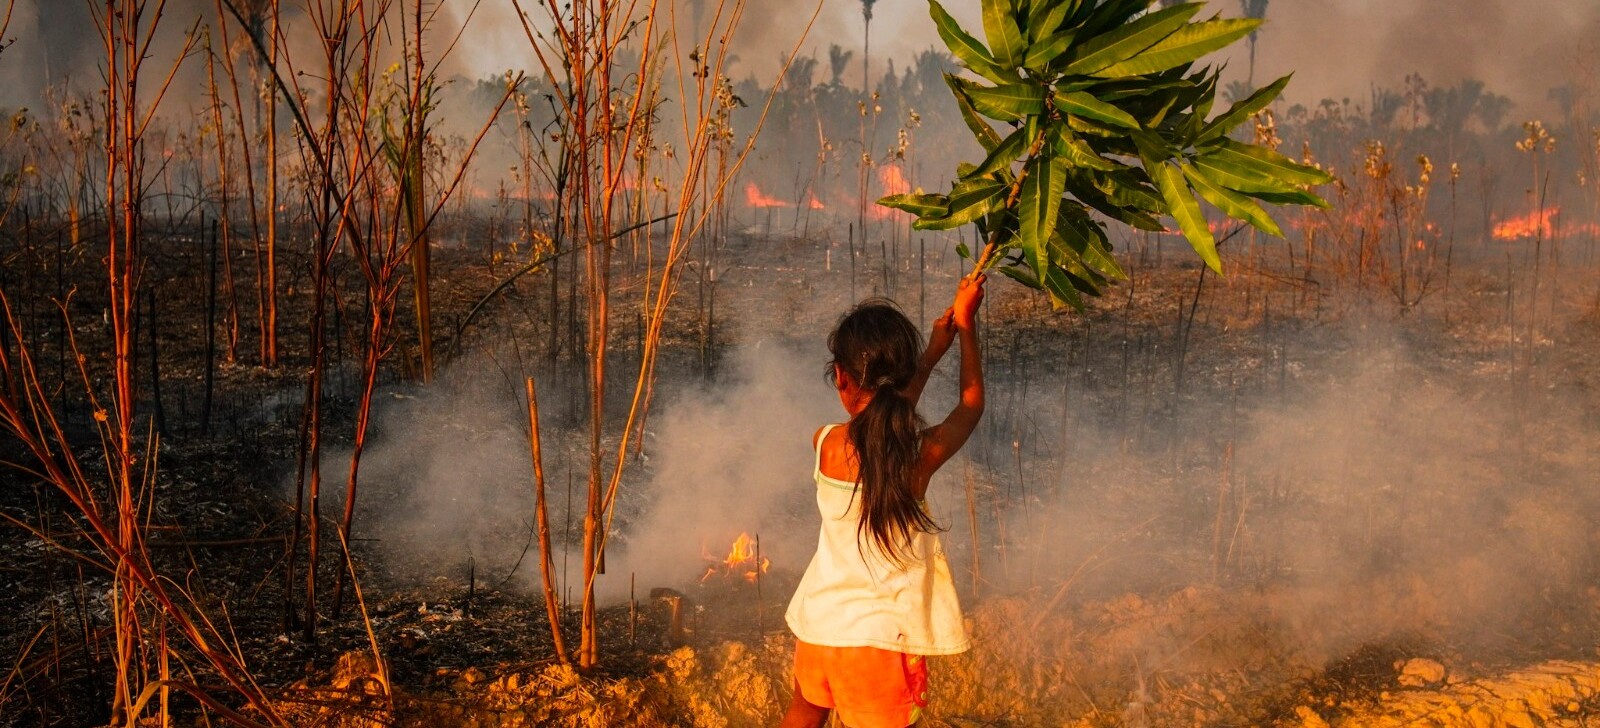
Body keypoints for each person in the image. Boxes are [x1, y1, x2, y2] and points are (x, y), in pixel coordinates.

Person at [780, 275, 987, 728]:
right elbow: (970, 406)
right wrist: (967, 325)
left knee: (803, 715)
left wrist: (931, 356)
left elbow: (881, 419)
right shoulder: (916, 460)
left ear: (839, 376)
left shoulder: (824, 443)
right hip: (878, 645)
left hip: (818, 629)